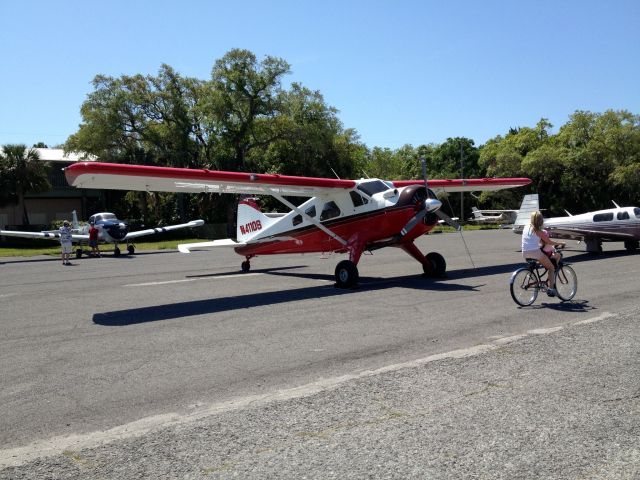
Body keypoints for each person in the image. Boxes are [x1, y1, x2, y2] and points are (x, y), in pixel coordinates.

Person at [521, 211, 565, 296]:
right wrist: (561, 243)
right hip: (535, 253)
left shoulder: (526, 227)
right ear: (541, 220)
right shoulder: (539, 231)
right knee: (551, 268)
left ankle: (537, 281)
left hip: (524, 252)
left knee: (538, 263)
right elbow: (549, 242)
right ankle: (551, 290)